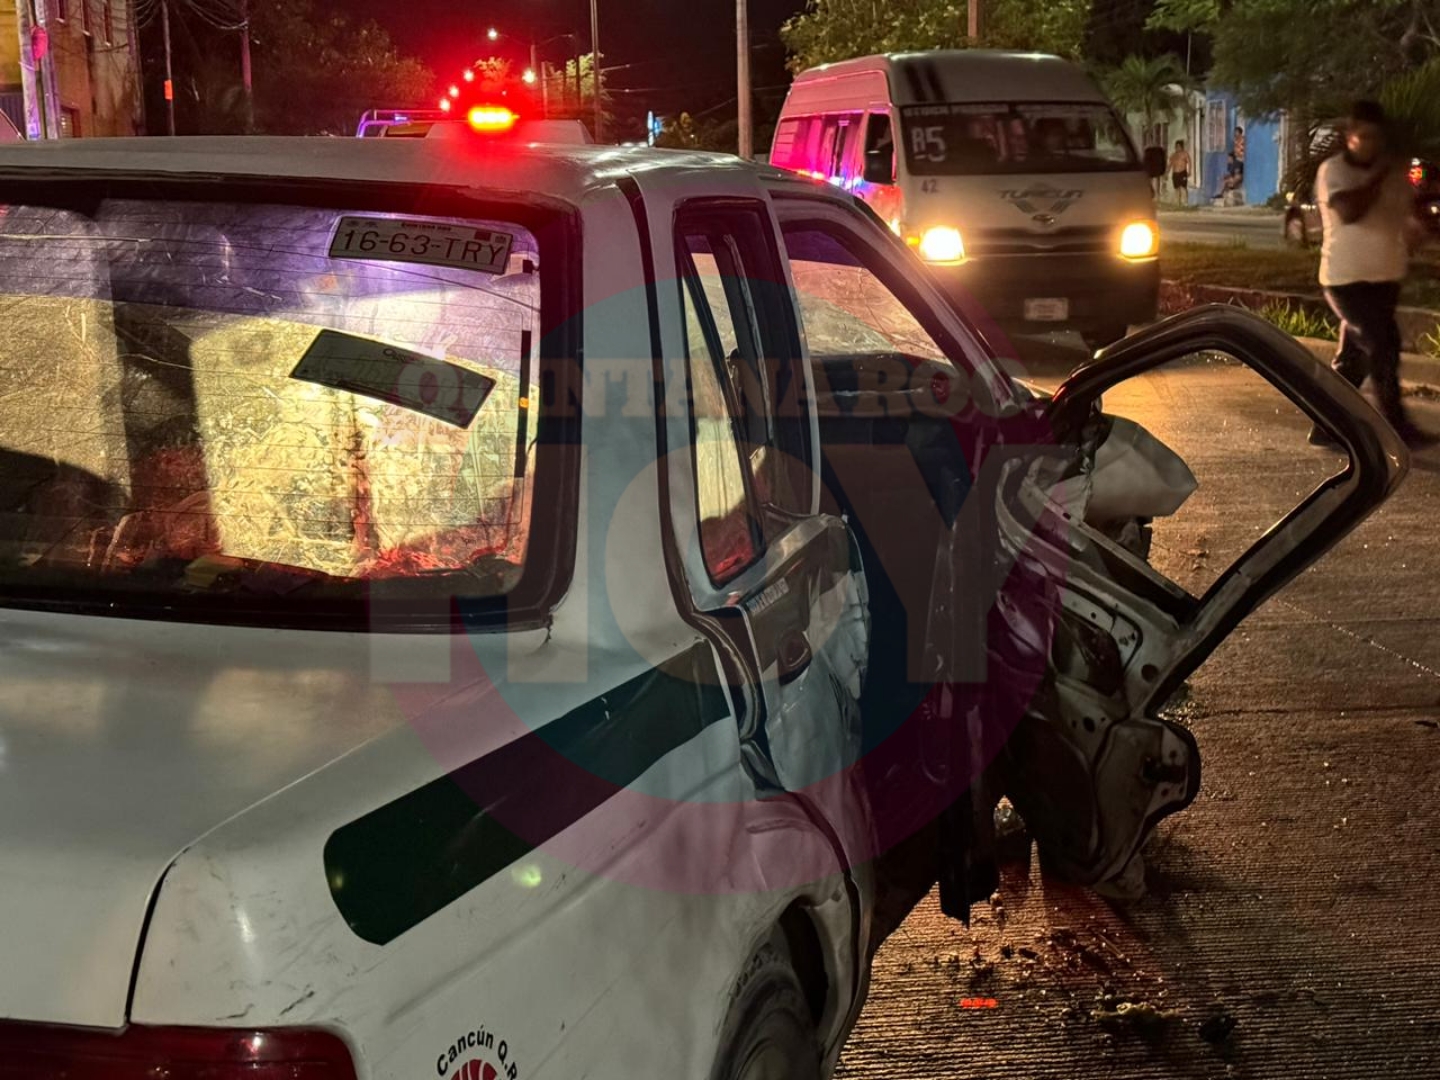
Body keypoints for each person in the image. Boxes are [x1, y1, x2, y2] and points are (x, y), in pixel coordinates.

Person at [1311, 99, 1432, 448]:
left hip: (1385, 279)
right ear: (1349, 135)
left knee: (1353, 361)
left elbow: (1405, 216)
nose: (1370, 144)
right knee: (1383, 345)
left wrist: (1416, 231)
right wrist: (1378, 175)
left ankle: (1324, 426)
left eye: (1376, 137)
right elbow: (1349, 211)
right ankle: (1397, 427)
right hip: (1346, 280)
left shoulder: (1395, 174)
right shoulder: (1333, 170)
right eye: (1363, 136)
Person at [1168, 140, 1191, 205]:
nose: (1177, 148)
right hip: (1175, 174)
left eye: (1179, 146)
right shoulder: (1173, 155)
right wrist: (1167, 172)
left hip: (1183, 172)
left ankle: (1185, 202)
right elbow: (1170, 164)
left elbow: (1189, 163)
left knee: (1183, 188)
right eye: (1176, 146)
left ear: (1181, 147)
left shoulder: (1185, 154)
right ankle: (1177, 203)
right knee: (1176, 189)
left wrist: (1189, 171)